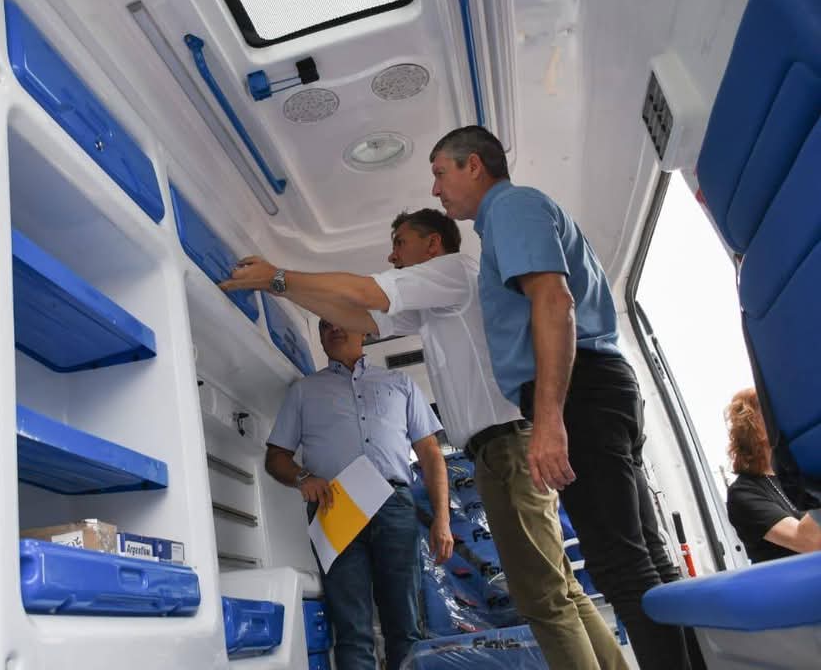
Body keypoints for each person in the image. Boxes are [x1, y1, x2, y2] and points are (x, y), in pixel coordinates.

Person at [223, 209, 627, 670]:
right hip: (351, 500)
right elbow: (355, 313)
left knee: (542, 596)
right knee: (554, 591)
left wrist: (277, 276)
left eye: (400, 243)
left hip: (493, 450)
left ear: (432, 245)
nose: (392, 256)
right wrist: (280, 288)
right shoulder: (414, 317)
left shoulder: (451, 273)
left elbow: (362, 294)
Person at [425, 125, 694, 670]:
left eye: (440, 173)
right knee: (646, 562)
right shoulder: (513, 215)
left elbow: (554, 300)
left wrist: (548, 420)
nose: (436, 189)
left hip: (582, 393)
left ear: (474, 165)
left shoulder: (510, 208)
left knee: (621, 566)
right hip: (597, 385)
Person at [266, 318, 450, 670]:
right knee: (351, 627)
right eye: (324, 326)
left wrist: (441, 519)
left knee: (406, 624)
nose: (334, 329)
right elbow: (275, 458)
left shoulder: (400, 383)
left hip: (394, 504)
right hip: (334, 508)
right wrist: (303, 476)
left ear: (364, 329)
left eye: (341, 320)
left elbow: (430, 455)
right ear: (320, 338)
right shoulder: (303, 391)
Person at [725, 388, 821, 563]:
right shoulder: (743, 493)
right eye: (774, 412)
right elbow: (808, 541)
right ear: (753, 425)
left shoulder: (800, 476)